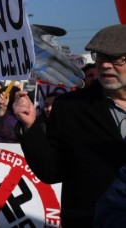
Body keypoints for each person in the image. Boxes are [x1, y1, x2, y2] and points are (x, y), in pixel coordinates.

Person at [13, 24, 126, 226]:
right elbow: (51, 170)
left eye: (117, 59)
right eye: (100, 57)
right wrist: (30, 125)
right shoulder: (70, 107)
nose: (105, 65)